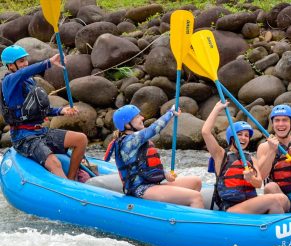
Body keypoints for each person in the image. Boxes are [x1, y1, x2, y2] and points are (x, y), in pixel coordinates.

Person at [0, 45, 87, 180]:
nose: (26, 63)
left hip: (40, 131)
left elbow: (39, 109)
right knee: (55, 163)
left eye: (25, 60)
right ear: (11, 65)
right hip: (23, 137)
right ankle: (67, 193)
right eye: (21, 61)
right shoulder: (9, 81)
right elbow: (23, 72)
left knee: (81, 139)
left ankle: (70, 180)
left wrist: (61, 110)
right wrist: (49, 62)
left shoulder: (29, 82)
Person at [104, 104, 204, 208]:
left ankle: (182, 214)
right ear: (127, 124)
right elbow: (153, 129)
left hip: (152, 185)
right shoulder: (129, 141)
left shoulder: (137, 139)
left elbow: (145, 166)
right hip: (140, 189)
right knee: (196, 197)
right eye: (137, 117)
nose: (142, 118)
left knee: (196, 182)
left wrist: (164, 174)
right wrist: (170, 113)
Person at [202, 101, 287, 214]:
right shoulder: (220, 155)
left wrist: (251, 178)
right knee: (272, 200)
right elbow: (205, 132)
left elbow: (258, 184)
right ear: (231, 137)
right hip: (231, 208)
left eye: (246, 135)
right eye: (239, 134)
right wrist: (217, 109)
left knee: (283, 199)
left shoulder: (251, 159)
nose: (243, 138)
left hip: (250, 205)